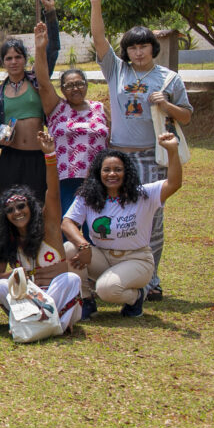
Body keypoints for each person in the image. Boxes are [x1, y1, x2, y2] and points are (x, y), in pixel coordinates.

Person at [89, 0, 192, 301]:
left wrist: (167, 105)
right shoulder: (116, 70)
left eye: (144, 46)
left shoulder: (169, 78)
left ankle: (151, 279)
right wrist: (96, 5)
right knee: (117, 216)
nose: (138, 52)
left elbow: (186, 117)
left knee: (151, 218)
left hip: (152, 157)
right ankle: (120, 271)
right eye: (132, 47)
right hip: (118, 156)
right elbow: (99, 39)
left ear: (153, 48)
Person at [61, 134, 182, 318]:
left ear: (127, 172)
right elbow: (67, 223)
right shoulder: (88, 196)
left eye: (118, 169)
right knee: (70, 249)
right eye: (106, 169)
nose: (112, 174)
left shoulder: (143, 195)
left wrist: (172, 151)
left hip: (136, 259)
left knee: (106, 290)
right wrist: (83, 245)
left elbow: (174, 184)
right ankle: (86, 300)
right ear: (98, 173)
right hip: (103, 256)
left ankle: (135, 297)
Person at [0, 132, 83, 334]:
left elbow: (53, 193)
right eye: (10, 210)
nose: (17, 212)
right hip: (29, 296)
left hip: (56, 295)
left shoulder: (48, 228)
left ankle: (48, 324)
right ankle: (42, 323)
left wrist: (50, 156)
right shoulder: (7, 240)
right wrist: (24, 275)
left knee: (71, 280)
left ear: (31, 207)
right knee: (0, 287)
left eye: (22, 206)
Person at [32, 21, 108, 217]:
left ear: (86, 85)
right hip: (66, 179)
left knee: (96, 228)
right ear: (63, 90)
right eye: (69, 85)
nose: (75, 88)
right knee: (68, 227)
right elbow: (43, 82)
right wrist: (40, 48)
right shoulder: (57, 108)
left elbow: (110, 141)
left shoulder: (100, 108)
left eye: (79, 83)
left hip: (98, 178)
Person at [0, 0, 60, 197]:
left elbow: (53, 49)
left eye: (18, 57)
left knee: (38, 208)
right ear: (3, 62)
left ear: (25, 59)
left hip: (38, 157)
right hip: (11, 158)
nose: (14, 62)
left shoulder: (37, 81)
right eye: (9, 58)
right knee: (10, 209)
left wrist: (50, 12)